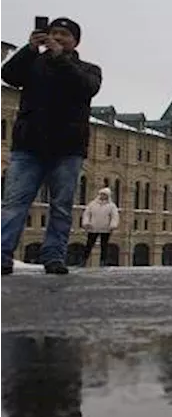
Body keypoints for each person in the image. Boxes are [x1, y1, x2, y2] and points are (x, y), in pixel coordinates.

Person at [0, 18, 102, 277]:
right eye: (53, 33)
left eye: (64, 35)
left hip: (67, 149)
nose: (57, 38)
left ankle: (54, 257)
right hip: (28, 146)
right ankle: (2, 256)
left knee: (61, 205)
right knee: (14, 203)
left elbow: (87, 88)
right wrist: (29, 48)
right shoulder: (33, 64)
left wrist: (60, 59)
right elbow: (8, 75)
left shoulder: (88, 69)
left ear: (75, 41)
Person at [80, 187, 119, 267]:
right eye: (101, 194)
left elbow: (114, 216)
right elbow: (86, 214)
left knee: (104, 246)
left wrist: (113, 225)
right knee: (89, 245)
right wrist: (86, 223)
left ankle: (103, 262)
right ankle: (83, 261)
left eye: (105, 195)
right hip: (93, 227)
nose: (103, 196)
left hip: (105, 229)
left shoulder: (111, 206)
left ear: (108, 196)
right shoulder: (92, 204)